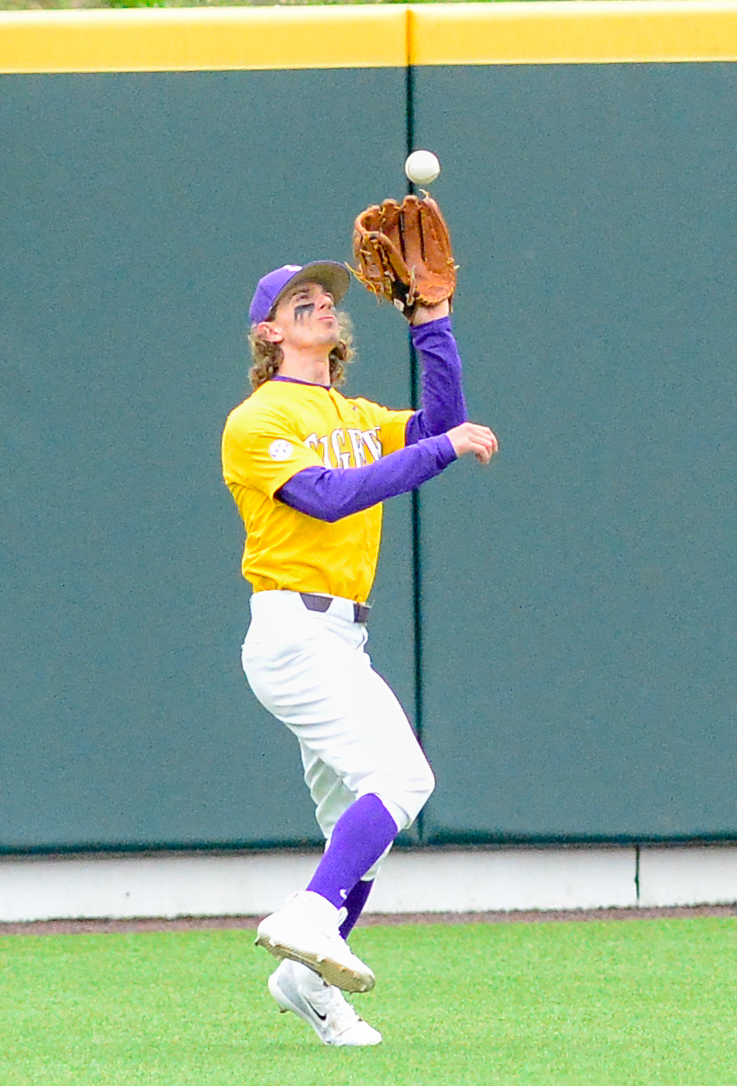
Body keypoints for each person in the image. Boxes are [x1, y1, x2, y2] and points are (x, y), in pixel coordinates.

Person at [221, 260, 498, 1047]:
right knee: (405, 779)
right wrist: (443, 450)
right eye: (299, 300)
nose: (321, 304)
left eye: (327, 298)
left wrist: (433, 323)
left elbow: (442, 421)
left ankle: (305, 980)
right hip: (294, 630)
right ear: (269, 331)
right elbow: (329, 496)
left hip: (339, 636)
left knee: (356, 821)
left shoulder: (352, 412)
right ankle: (311, 915)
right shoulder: (257, 420)